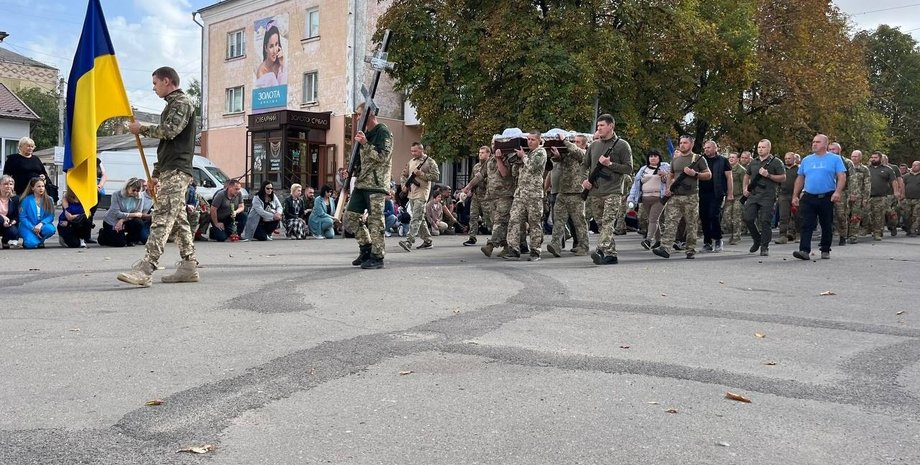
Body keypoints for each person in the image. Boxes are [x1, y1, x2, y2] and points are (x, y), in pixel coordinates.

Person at [118, 66, 199, 286]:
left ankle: (146, 269)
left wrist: (140, 128)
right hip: (170, 169)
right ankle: (189, 266)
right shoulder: (172, 105)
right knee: (179, 220)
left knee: (162, 218)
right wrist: (155, 175)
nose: (153, 88)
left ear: (167, 81)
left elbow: (169, 131)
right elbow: (167, 145)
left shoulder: (182, 103)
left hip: (177, 170)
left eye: (155, 83)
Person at [345, 102, 393, 269]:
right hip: (362, 183)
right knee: (350, 216)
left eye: (360, 114)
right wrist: (350, 171)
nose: (358, 118)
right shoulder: (364, 133)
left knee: (375, 221)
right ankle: (366, 248)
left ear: (370, 114)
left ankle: (377, 256)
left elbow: (383, 157)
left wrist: (366, 143)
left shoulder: (383, 132)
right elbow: (360, 161)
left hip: (376, 184)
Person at [582, 114, 634, 265]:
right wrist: (584, 180)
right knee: (599, 223)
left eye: (602, 125)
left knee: (607, 222)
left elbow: (628, 168)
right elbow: (584, 165)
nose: (599, 128)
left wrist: (610, 164)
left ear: (611, 126)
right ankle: (611, 254)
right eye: (598, 126)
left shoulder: (622, 145)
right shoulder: (593, 146)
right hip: (596, 191)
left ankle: (600, 249)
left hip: (613, 190)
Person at [653, 136, 712, 259]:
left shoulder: (697, 159)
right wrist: (669, 188)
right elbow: (671, 175)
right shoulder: (675, 160)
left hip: (690, 196)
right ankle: (665, 248)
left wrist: (695, 174)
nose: (682, 145)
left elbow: (708, 175)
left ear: (691, 144)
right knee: (670, 222)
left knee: (691, 224)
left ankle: (690, 249)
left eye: (685, 143)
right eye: (680, 143)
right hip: (675, 196)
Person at [791, 134, 846, 260]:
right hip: (809, 196)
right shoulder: (806, 160)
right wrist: (795, 195)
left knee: (826, 224)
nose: (814, 144)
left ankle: (825, 249)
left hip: (826, 196)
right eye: (813, 142)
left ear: (825, 144)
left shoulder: (835, 159)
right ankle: (804, 250)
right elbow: (800, 178)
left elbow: (841, 176)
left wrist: (837, 192)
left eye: (818, 142)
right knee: (806, 223)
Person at [547, 134, 589, 257]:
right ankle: (556, 245)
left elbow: (578, 152)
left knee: (579, 222)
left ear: (584, 144)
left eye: (578, 142)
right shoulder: (569, 153)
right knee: (558, 220)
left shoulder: (585, 153)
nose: (575, 143)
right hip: (563, 191)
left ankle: (583, 246)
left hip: (577, 192)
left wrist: (564, 141)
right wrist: (557, 154)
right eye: (574, 141)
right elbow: (557, 160)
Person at [742, 139, 785, 256]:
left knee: (765, 221)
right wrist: (745, 188)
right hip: (754, 195)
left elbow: (783, 178)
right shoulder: (753, 162)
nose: (760, 149)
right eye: (759, 147)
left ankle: (764, 246)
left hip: (768, 195)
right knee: (748, 218)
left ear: (769, 148)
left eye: (763, 147)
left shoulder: (776, 162)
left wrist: (769, 175)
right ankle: (757, 239)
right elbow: (747, 175)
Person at [398, 142, 439, 251]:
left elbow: (436, 176)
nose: (413, 153)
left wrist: (421, 174)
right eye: (412, 151)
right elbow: (403, 175)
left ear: (421, 150)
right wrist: (403, 185)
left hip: (422, 193)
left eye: (415, 151)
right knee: (420, 217)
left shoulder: (429, 161)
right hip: (412, 193)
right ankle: (427, 241)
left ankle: (409, 241)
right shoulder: (411, 162)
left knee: (416, 217)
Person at [627, 149, 670, 251]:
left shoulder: (665, 167)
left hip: (659, 198)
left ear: (659, 158)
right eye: (651, 156)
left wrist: (665, 175)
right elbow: (636, 185)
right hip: (645, 198)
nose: (653, 158)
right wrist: (631, 198)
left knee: (653, 219)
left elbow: (670, 179)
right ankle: (659, 240)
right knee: (653, 220)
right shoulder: (643, 169)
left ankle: (648, 240)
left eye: (655, 156)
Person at [698, 140, 732, 252]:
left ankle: (718, 239)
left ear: (715, 148)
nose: (706, 150)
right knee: (704, 217)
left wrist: (730, 193)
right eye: (705, 148)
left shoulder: (723, 161)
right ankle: (707, 242)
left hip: (716, 192)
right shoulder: (700, 160)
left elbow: (729, 177)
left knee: (713, 215)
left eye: (708, 147)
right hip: (702, 192)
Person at [98, 178, 146, 247]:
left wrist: (122, 220)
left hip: (126, 220)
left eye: (138, 191)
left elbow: (138, 213)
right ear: (127, 187)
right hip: (112, 220)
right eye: (133, 190)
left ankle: (130, 240)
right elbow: (117, 213)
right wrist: (134, 214)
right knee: (119, 243)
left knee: (138, 222)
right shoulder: (116, 195)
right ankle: (103, 234)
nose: (135, 192)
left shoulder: (140, 197)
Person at [828, 142, 856, 246]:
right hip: (827, 191)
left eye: (833, 149)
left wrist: (853, 193)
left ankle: (843, 236)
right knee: (826, 215)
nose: (831, 151)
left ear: (839, 150)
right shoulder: (825, 160)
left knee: (841, 215)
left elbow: (853, 179)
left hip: (842, 192)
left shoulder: (847, 162)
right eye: (829, 149)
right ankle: (826, 237)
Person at [866, 151, 898, 241]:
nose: (873, 159)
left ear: (880, 158)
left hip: (881, 196)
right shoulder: (867, 169)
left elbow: (894, 181)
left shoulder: (888, 169)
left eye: (875, 157)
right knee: (868, 215)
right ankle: (870, 230)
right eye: (872, 157)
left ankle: (877, 233)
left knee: (878, 216)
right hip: (868, 196)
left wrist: (896, 192)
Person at [463, 146, 491, 246]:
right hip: (476, 195)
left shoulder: (491, 165)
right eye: (479, 152)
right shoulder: (476, 167)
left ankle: (495, 236)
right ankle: (472, 237)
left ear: (488, 154)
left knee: (488, 218)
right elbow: (472, 180)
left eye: (483, 152)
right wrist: (470, 189)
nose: (480, 154)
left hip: (487, 196)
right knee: (473, 216)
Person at [17, 177, 56, 249]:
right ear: (32, 188)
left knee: (50, 229)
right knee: (31, 244)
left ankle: (40, 240)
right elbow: (22, 217)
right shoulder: (26, 200)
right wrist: (32, 228)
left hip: (42, 225)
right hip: (28, 226)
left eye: (43, 186)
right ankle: (31, 239)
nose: (41, 188)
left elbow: (51, 216)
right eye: (38, 186)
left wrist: (41, 224)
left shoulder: (49, 199)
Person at [845, 150, 871, 243]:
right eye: (852, 156)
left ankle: (853, 236)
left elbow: (867, 184)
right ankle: (844, 234)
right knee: (845, 215)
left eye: (856, 156)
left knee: (855, 216)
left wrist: (865, 198)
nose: (853, 158)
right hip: (847, 194)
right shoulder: (846, 167)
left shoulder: (864, 169)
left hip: (859, 196)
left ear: (860, 158)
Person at [721, 152, 746, 245]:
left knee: (736, 216)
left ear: (738, 159)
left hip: (738, 196)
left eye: (733, 157)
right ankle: (732, 233)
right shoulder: (726, 168)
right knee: (726, 216)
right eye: (729, 157)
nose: (731, 159)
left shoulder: (741, 170)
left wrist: (745, 194)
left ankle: (736, 236)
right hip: (728, 195)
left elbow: (745, 182)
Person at [775, 152, 799, 244]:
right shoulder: (782, 169)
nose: (787, 160)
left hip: (796, 194)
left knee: (798, 216)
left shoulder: (799, 169)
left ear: (794, 159)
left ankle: (798, 235)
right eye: (786, 158)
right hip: (783, 195)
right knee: (783, 216)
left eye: (789, 158)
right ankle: (782, 236)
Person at [0, 175, 21, 248]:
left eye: (11, 184)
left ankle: (5, 240)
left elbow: (16, 216)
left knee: (13, 232)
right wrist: (3, 218)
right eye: (5, 184)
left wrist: (12, 222)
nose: (8, 186)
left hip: (7, 223)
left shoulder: (15, 199)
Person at [903, 161, 920, 236]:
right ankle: (909, 228)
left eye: (916, 165)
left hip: (918, 199)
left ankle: (913, 229)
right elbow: (903, 185)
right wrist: (902, 195)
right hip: (908, 198)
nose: (914, 167)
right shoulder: (907, 176)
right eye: (913, 165)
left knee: (916, 215)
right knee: (906, 215)